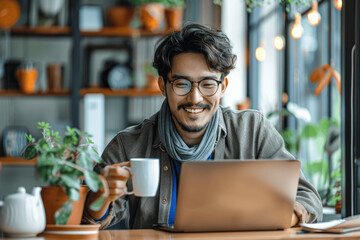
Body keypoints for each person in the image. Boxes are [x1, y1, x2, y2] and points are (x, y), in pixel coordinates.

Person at [82, 23, 322, 229]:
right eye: (181, 84)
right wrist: (101, 195)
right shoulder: (128, 145)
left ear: (223, 86)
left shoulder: (253, 131)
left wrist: (279, 217)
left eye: (208, 84)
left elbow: (309, 198)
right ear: (163, 86)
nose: (195, 98)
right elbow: (84, 222)